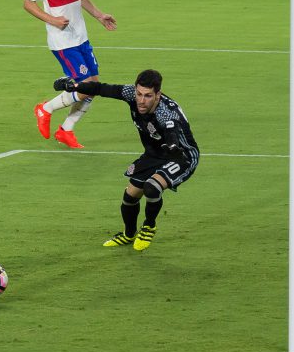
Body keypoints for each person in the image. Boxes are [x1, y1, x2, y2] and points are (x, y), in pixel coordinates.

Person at [55, 70, 198, 251]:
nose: (141, 100)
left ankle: (149, 226)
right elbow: (100, 88)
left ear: (158, 95)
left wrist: (172, 147)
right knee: (130, 196)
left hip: (181, 155)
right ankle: (129, 234)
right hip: (154, 153)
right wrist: (75, 86)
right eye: (139, 94)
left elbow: (172, 134)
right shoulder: (131, 94)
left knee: (151, 187)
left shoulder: (167, 113)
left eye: (148, 96)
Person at [25, 0, 117, 149]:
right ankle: (45, 109)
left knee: (93, 86)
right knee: (86, 86)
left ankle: (66, 130)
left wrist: (98, 14)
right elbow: (28, 3)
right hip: (62, 40)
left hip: (81, 36)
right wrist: (53, 20)